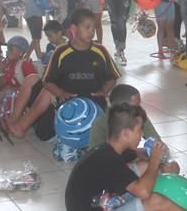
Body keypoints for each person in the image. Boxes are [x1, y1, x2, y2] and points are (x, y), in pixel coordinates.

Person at [7, 8, 121, 139]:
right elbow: (47, 81)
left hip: (92, 102)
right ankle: (17, 120)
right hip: (66, 100)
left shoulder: (100, 50)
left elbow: (112, 77)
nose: (92, 32)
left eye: (93, 28)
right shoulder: (61, 51)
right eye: (87, 27)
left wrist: (104, 90)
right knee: (33, 81)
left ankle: (27, 122)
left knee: (45, 131)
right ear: (74, 29)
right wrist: (61, 93)